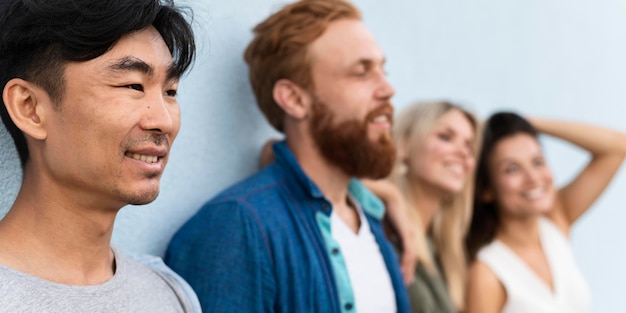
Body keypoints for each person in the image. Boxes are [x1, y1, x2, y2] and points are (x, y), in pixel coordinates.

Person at [165, 0, 411, 312]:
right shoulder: (236, 229)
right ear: (294, 99)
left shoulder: (372, 220)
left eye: (382, 69)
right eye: (361, 72)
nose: (388, 88)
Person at [0, 0, 198, 312]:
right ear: (30, 108)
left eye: (170, 91)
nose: (165, 121)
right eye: (133, 85)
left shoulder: (171, 294)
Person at [465, 112, 626, 313]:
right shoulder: (487, 273)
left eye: (537, 162)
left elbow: (618, 147)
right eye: (512, 169)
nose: (532, 178)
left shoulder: (554, 223)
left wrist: (526, 123)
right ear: (486, 190)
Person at [364, 101, 479, 313]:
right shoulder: (375, 225)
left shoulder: (446, 252)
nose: (463, 153)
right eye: (445, 137)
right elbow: (311, 168)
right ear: (405, 145)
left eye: (469, 147)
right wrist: (391, 194)